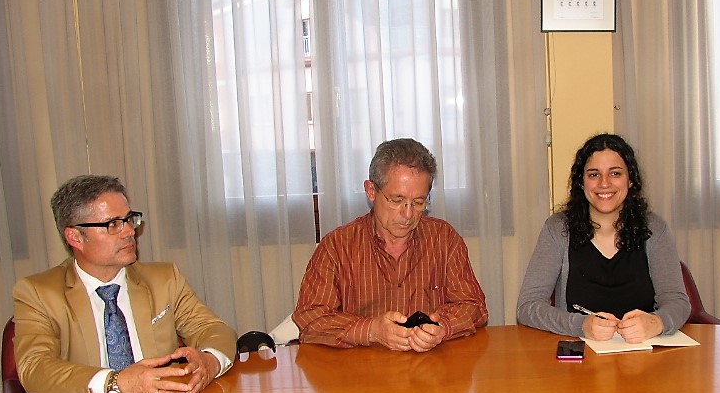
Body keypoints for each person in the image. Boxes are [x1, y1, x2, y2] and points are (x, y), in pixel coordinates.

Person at [12, 175, 237, 393]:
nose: (129, 231)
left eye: (129, 219)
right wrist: (116, 383)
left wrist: (210, 361)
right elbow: (35, 367)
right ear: (75, 237)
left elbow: (213, 329)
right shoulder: (38, 292)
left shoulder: (164, 279)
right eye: (113, 224)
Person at [293, 138, 488, 350]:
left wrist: (443, 328)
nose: (408, 214)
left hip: (430, 365)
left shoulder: (444, 239)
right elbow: (311, 319)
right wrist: (371, 330)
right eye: (397, 200)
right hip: (361, 365)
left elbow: (474, 306)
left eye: (418, 202)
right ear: (371, 191)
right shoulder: (337, 246)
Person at [517, 133, 690, 342]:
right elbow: (528, 306)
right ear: (581, 182)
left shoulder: (654, 229)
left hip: (644, 352)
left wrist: (656, 322)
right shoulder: (557, 230)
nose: (604, 183)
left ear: (631, 180)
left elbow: (678, 301)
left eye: (615, 173)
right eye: (594, 174)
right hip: (581, 352)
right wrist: (580, 325)